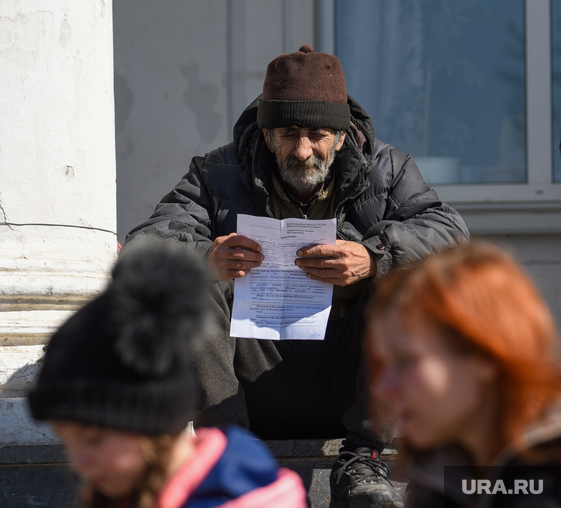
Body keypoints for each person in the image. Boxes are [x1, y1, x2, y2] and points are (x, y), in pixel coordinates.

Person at [123, 45, 468, 507]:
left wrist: (372, 257)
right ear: (266, 135)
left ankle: (363, 460)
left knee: (408, 282)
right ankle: (231, 461)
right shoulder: (216, 174)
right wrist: (205, 256)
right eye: (288, 133)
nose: (303, 150)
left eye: (318, 134)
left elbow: (451, 235)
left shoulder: (389, 170)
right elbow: (141, 248)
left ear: (342, 136)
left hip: (353, 374)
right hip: (247, 375)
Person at [28, 241, 308, 508]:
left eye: (93, 440)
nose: (78, 462)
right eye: (67, 442)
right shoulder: (123, 493)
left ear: (149, 424)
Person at [367, 243, 561, 507]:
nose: (382, 387)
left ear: (487, 355)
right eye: (382, 364)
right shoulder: (439, 474)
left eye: (405, 360)